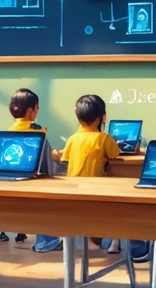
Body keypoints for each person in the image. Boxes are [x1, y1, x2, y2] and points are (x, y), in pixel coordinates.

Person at [38, 94, 121, 254]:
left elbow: (64, 157)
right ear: (102, 118)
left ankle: (70, 238)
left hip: (73, 190)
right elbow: (114, 154)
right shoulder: (104, 138)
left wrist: (56, 153)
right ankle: (113, 242)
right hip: (96, 190)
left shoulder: (72, 138)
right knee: (113, 211)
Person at [0, 88, 41, 244]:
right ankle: (36, 237)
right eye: (37, 107)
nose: (37, 111)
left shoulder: (8, 132)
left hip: (9, 177)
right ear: (30, 111)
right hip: (30, 178)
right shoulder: (38, 130)